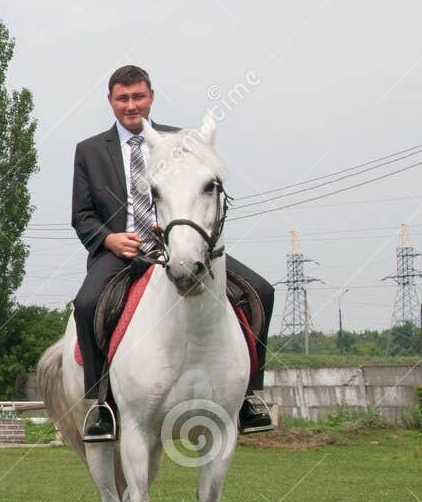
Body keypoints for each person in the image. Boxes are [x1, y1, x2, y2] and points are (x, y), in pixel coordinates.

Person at [70, 64, 274, 442]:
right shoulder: (89, 151)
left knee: (262, 290)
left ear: (151, 97)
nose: (131, 105)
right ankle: (101, 404)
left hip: (181, 243)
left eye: (138, 97)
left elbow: (200, 191)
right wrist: (111, 240)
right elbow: (81, 215)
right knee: (85, 304)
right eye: (123, 98)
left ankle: (249, 396)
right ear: (110, 101)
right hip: (123, 251)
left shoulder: (182, 141)